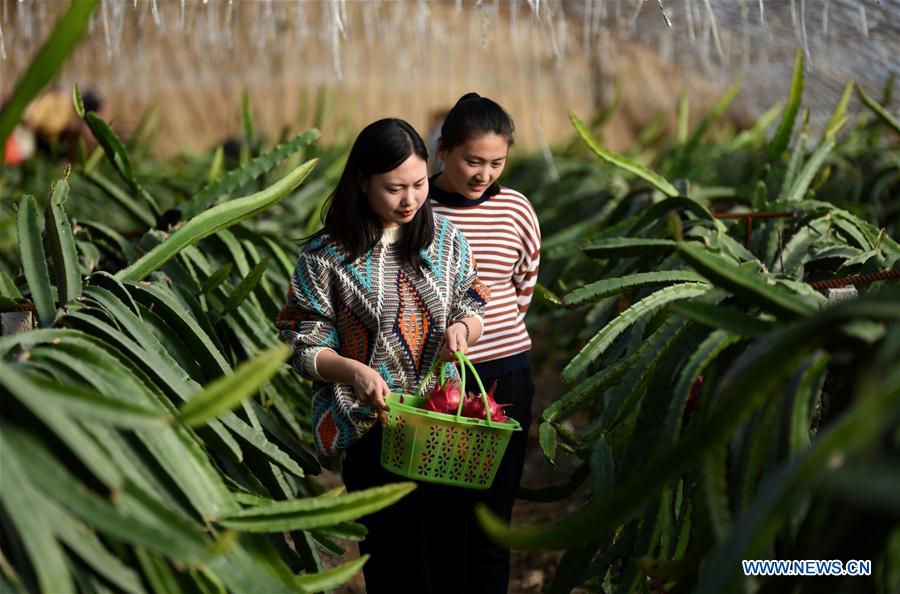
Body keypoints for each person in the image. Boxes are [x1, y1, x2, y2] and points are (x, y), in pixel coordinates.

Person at [275, 118, 490, 593]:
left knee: (449, 558)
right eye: (394, 188)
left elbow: (473, 299)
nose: (411, 199)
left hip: (440, 425)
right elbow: (301, 341)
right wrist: (353, 371)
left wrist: (463, 327)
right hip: (370, 427)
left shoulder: (446, 240)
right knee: (395, 564)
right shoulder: (325, 255)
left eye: (418, 184)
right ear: (362, 182)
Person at [429, 93, 541, 594]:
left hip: (506, 373)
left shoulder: (516, 207)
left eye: (497, 162)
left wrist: (492, 331)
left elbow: (524, 281)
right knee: (442, 510)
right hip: (437, 382)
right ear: (443, 151)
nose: (484, 174)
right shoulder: (419, 206)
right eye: (472, 161)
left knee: (495, 512)